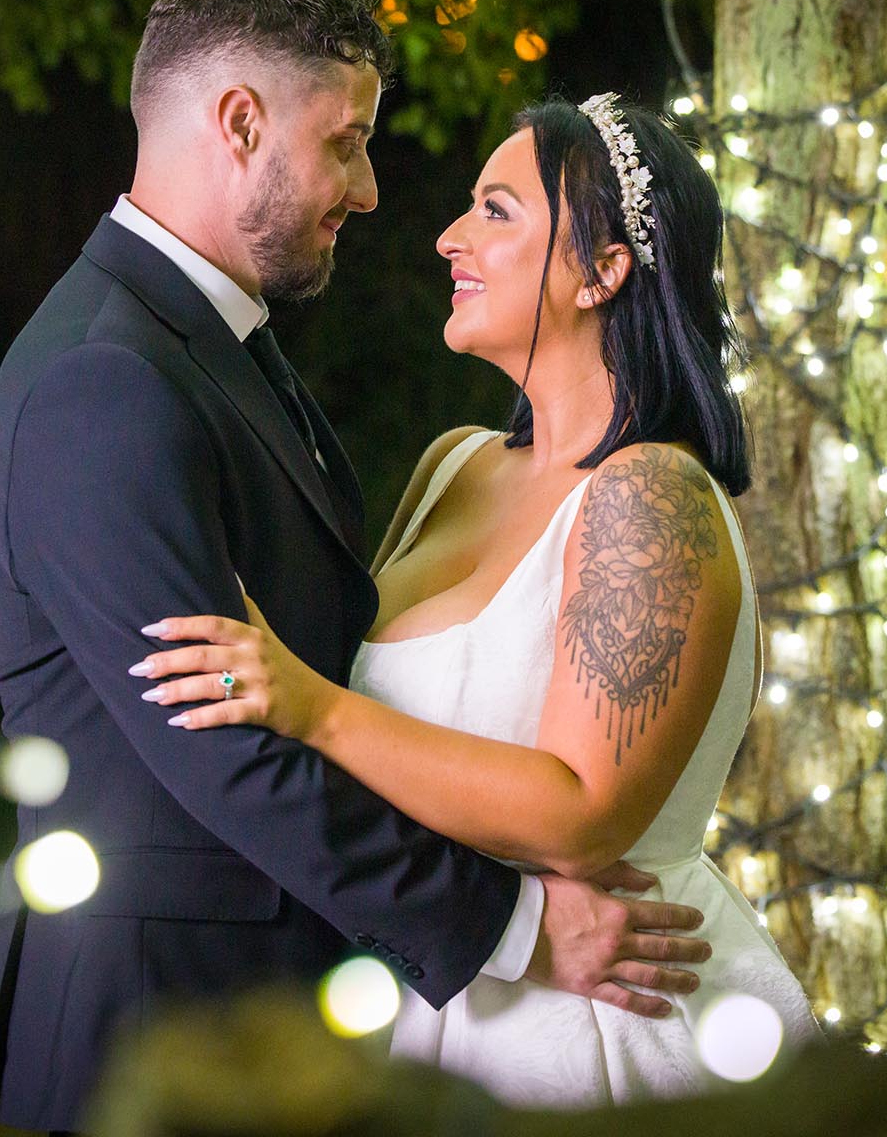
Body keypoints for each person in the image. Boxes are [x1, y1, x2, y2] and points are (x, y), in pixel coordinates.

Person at [0, 0, 712, 1135]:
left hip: (296, 1010)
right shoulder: (105, 379)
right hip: (153, 1011)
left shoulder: (214, 349)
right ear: (240, 124)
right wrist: (514, 927)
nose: (370, 193)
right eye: (347, 143)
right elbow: (222, 742)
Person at [134, 92, 822, 1106]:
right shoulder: (453, 465)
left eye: (497, 210)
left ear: (602, 270)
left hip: (603, 1021)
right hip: (448, 986)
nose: (449, 237)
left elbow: (581, 811)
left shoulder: (650, 497)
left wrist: (313, 708)